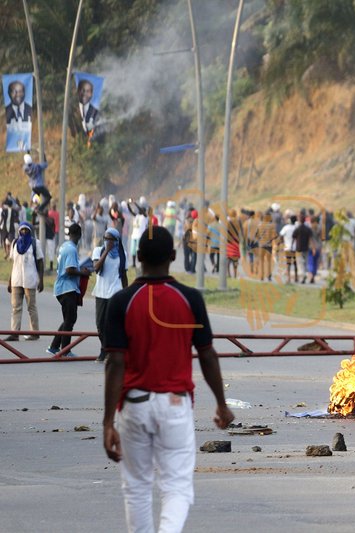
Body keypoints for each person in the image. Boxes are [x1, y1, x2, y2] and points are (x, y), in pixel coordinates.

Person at [102, 226, 235, 533]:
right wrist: (221, 404)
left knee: (136, 487)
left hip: (133, 406)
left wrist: (108, 422)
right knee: (177, 487)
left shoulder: (121, 301)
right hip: (175, 406)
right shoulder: (190, 298)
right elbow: (207, 354)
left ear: (137, 257)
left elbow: (115, 363)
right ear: (173, 256)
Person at [47, 223, 91, 358]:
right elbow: (69, 270)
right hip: (67, 287)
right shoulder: (72, 249)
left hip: (62, 287)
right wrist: (83, 273)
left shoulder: (64, 246)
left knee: (68, 319)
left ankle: (54, 347)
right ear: (79, 235)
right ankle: (65, 350)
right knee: (70, 319)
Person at [92, 228, 128, 363]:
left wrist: (127, 294)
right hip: (101, 292)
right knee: (100, 324)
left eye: (110, 239)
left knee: (111, 324)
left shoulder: (122, 254)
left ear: (116, 240)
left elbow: (123, 275)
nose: (107, 242)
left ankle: (105, 351)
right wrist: (106, 251)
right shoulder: (98, 251)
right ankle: (106, 348)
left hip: (115, 292)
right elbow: (96, 268)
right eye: (105, 239)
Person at [5, 222, 44, 341]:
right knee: (15, 307)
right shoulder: (15, 243)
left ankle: (34, 332)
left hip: (30, 279)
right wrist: (10, 281)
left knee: (31, 307)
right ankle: (14, 333)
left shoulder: (35, 243)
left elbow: (40, 262)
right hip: (16, 280)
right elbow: (14, 264)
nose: (24, 232)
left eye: (26, 230)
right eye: (22, 230)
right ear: (19, 231)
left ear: (30, 231)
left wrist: (41, 280)